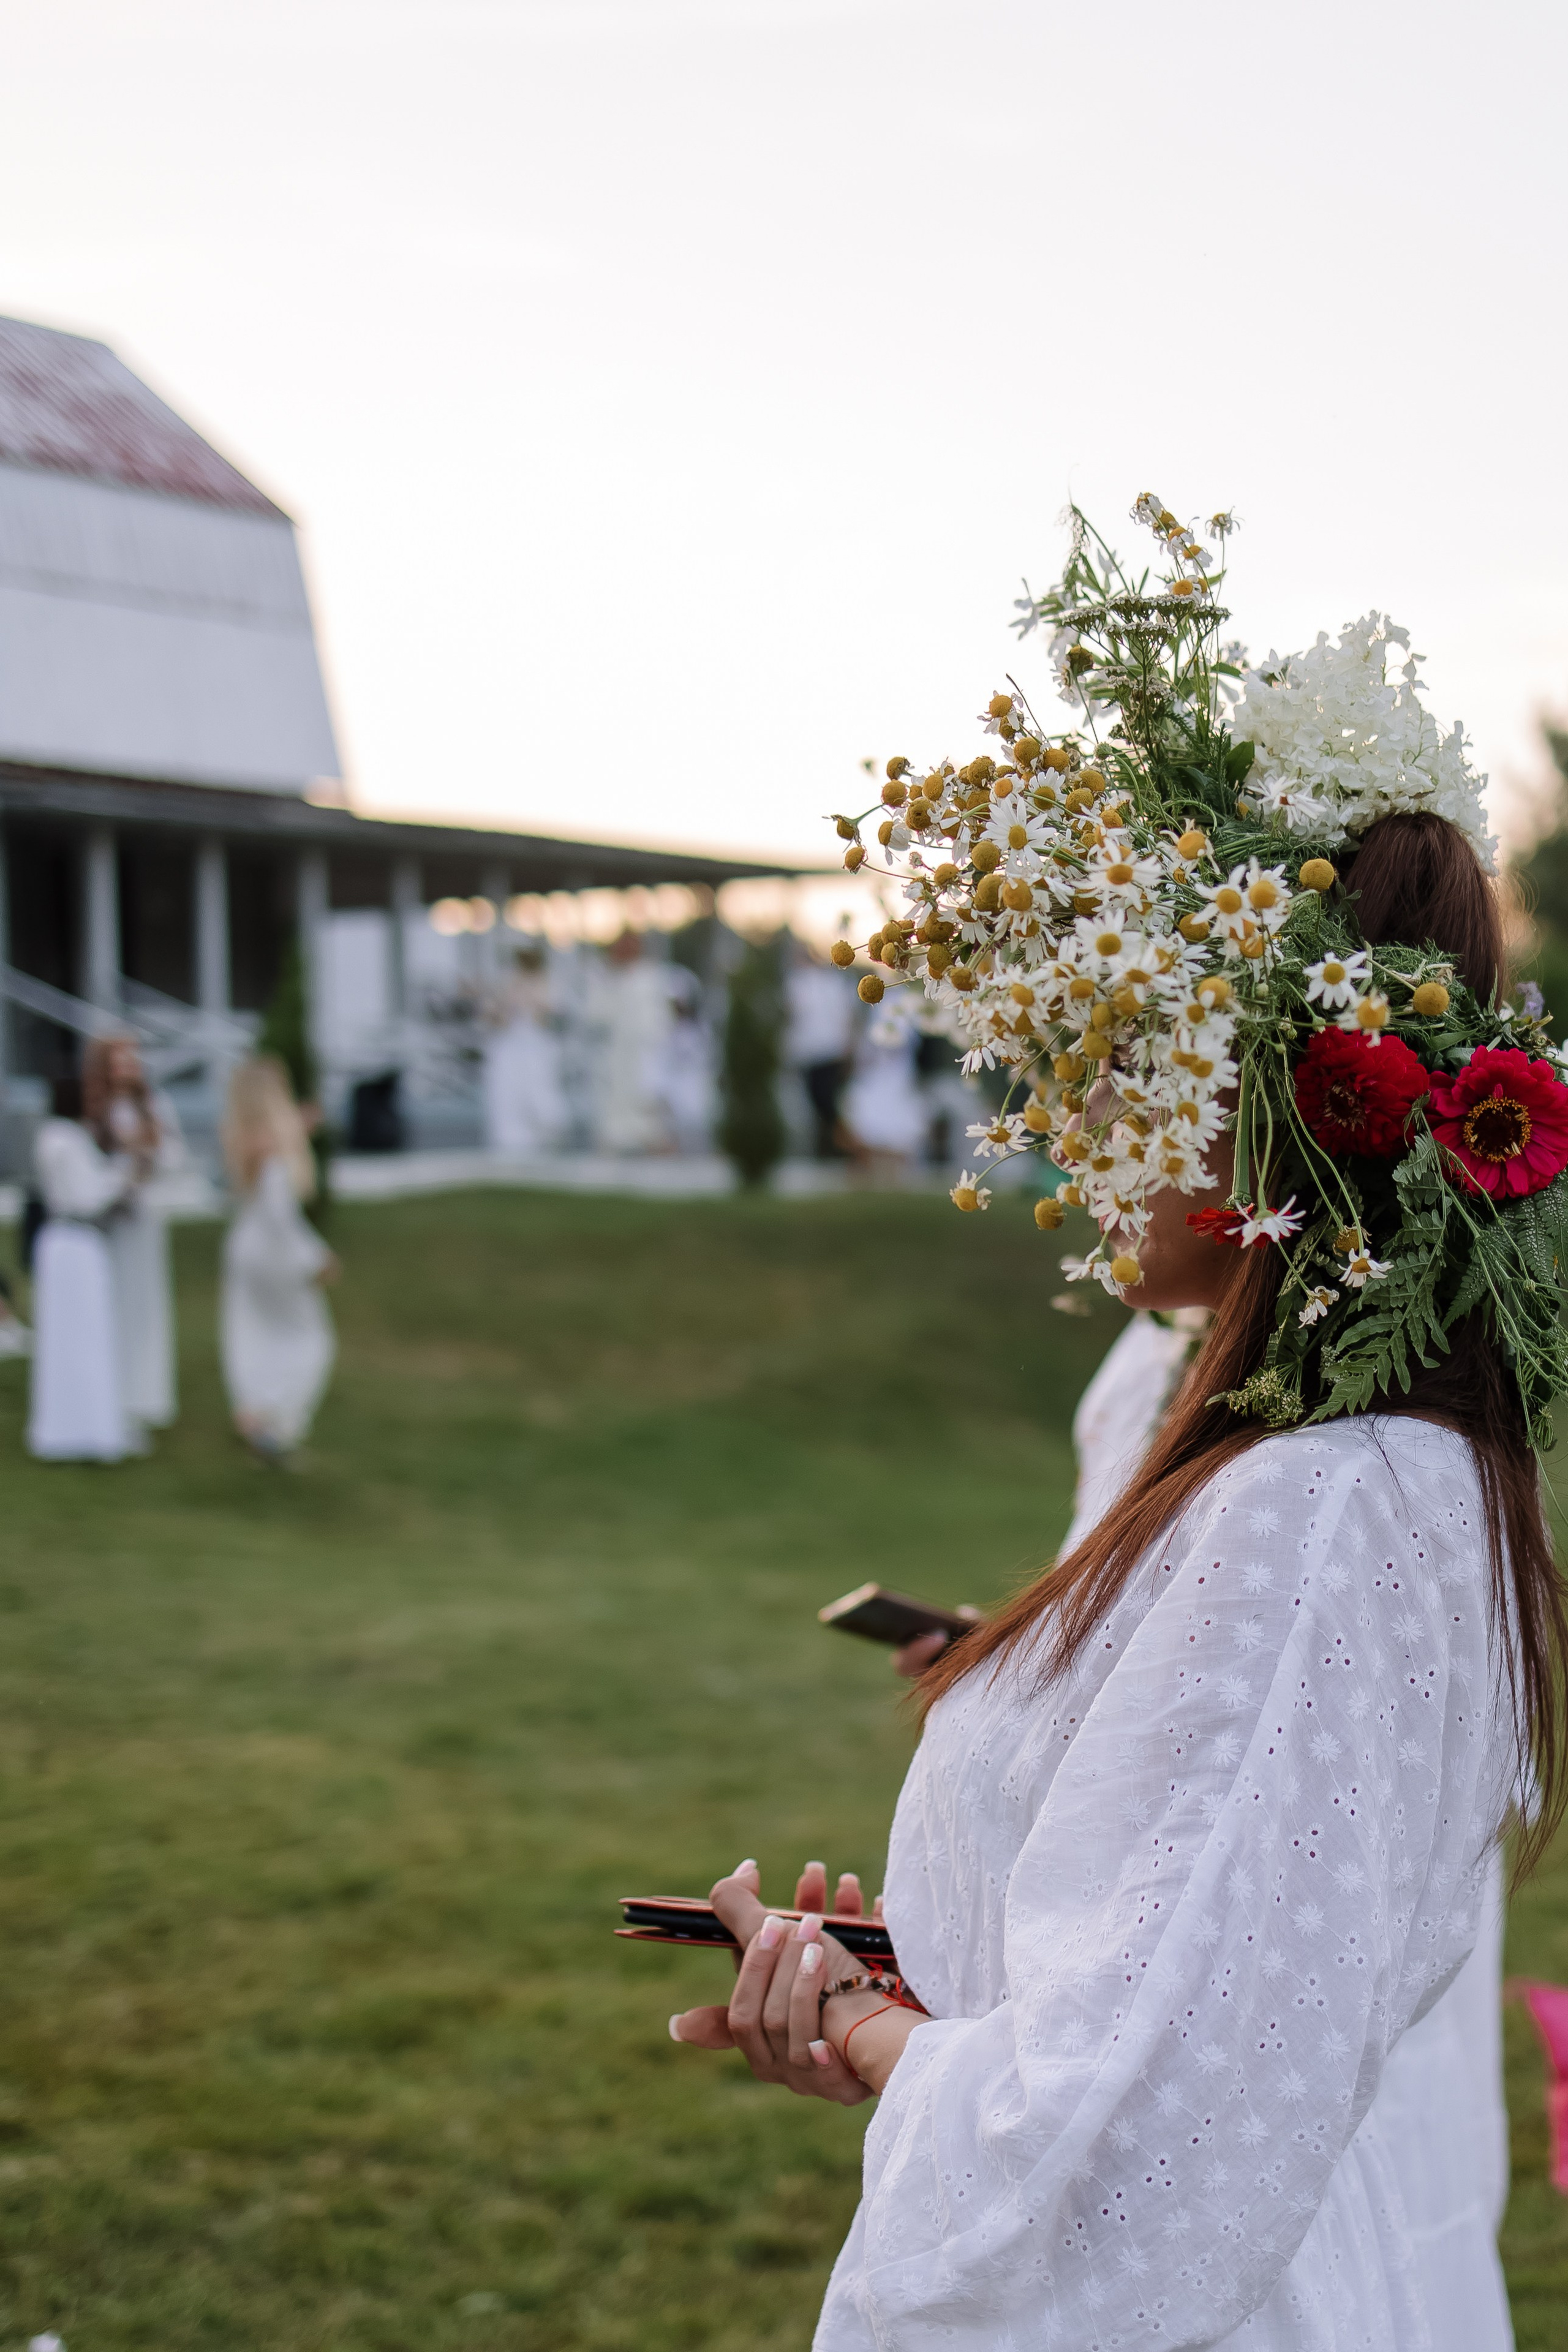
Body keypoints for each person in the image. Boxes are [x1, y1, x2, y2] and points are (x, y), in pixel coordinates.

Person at [671, 805, 1541, 2348]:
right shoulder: (1287, 1455)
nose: (1067, 1121)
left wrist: (876, 2034)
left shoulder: (1333, 1501)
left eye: (1124, 1066)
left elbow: (1130, 2161)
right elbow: (1188, 1932)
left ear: (1278, 1102)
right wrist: (919, 1985)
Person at [220, 1057, 338, 1462]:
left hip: (245, 1247)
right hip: (274, 1249)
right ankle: (280, 1421)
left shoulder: (244, 1137)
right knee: (311, 1340)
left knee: (254, 1332)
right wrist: (316, 1257)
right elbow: (281, 1215)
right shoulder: (275, 1152)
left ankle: (255, 1408)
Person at [82, 1033, 184, 1442]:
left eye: (133, 1060)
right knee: (114, 1307)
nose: (129, 1068)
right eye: (121, 1060)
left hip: (146, 1222)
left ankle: (145, 1397)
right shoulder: (95, 1112)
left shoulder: (154, 1108)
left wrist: (152, 1151)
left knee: (146, 1308)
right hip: (112, 1224)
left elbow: (175, 1156)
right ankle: (112, 1397)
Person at [27, 1072, 134, 1461]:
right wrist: (124, 1174)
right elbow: (86, 1197)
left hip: (60, 1243)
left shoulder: (51, 1135)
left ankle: (67, 1427)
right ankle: (89, 1430)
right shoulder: (68, 1139)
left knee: (66, 1339)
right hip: (78, 1241)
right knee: (87, 1336)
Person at [483, 947, 569, 1156]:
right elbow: (494, 1018)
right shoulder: (507, 983)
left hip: (536, 1049)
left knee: (539, 1089)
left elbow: (552, 1019)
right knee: (509, 1092)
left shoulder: (550, 984)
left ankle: (545, 1136)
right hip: (511, 1049)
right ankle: (513, 1142)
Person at [785, 944, 858, 1158]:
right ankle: (832, 1147)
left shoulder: (806, 983)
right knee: (823, 1102)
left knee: (826, 1102)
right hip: (816, 1051)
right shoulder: (821, 983)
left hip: (824, 1051)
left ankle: (844, 1146)